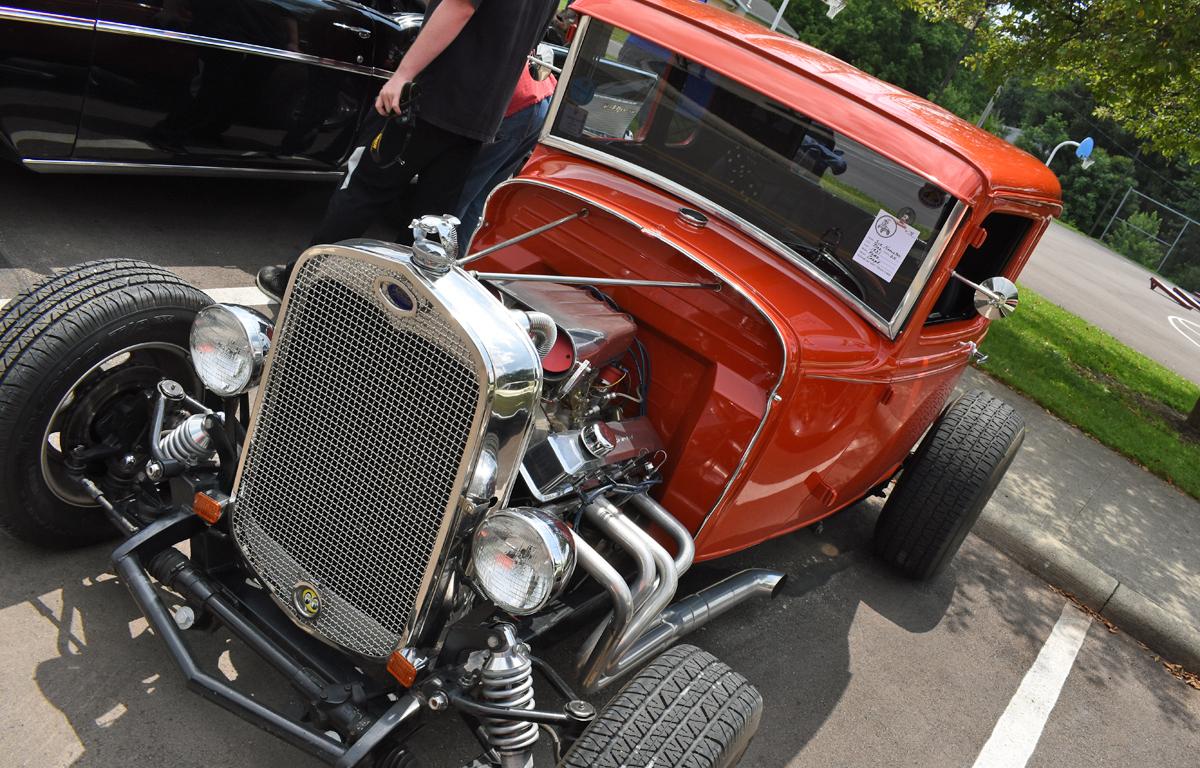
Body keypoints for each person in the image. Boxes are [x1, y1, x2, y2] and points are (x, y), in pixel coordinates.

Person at [256, 0, 559, 300]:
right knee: (430, 225)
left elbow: (459, 7)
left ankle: (298, 282)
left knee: (363, 191)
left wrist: (404, 74)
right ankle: (393, 311)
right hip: (479, 116)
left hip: (430, 97)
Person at [455, 63, 557, 246]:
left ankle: (440, 252)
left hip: (516, 102)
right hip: (541, 96)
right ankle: (455, 254)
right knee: (479, 196)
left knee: (461, 192)